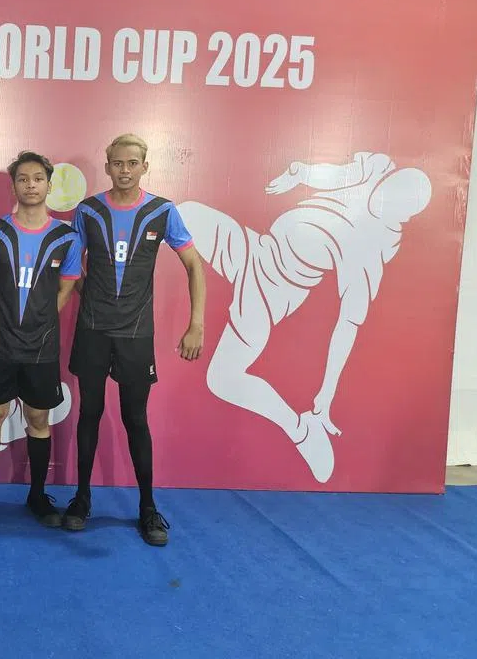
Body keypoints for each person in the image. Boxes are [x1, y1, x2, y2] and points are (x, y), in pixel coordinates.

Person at [177, 151, 430, 484]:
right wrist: (303, 173)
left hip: (271, 292)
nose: (387, 195)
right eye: (392, 186)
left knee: (222, 378)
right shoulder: (373, 171)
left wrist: (325, 396)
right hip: (255, 249)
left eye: (400, 201)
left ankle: (300, 431)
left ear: (404, 215)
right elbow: (339, 174)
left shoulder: (368, 248)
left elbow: (348, 324)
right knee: (182, 214)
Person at [66, 133, 205, 546]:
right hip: (92, 331)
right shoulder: (88, 211)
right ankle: (81, 500)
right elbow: (71, 267)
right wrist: (92, 297)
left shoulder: (162, 211)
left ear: (145, 166)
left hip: (136, 334)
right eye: (117, 163)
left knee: (135, 419)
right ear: (107, 166)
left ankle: (147, 508)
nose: (124, 170)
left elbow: (194, 265)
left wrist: (196, 324)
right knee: (89, 413)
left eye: (132, 163)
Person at [0, 151, 83, 527]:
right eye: (23, 179)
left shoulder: (66, 237)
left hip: (42, 346)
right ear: (14, 187)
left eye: (37, 179)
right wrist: (7, 320)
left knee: (37, 417)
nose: (31, 185)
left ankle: (37, 496)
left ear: (49, 185)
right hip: (1, 344)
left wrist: (38, 321)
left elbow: (66, 288)